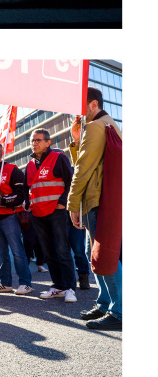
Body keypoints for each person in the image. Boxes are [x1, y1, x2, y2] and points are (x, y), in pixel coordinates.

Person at [68, 88, 123, 330]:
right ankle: (105, 303)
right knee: (98, 253)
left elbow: (82, 169)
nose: (76, 112)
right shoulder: (108, 124)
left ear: (92, 104)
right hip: (106, 197)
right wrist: (77, 141)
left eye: (80, 106)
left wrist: (72, 204)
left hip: (95, 198)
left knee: (105, 255)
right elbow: (89, 161)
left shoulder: (95, 126)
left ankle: (120, 310)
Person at [24, 129, 77, 303]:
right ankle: (58, 286)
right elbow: (28, 188)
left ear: (48, 142)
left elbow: (71, 182)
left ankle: (70, 288)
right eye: (32, 140)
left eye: (38, 140)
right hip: (37, 214)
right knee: (48, 252)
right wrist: (28, 205)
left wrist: (63, 202)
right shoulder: (30, 164)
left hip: (56, 211)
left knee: (62, 250)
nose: (35, 143)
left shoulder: (58, 157)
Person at [0, 141, 34, 295]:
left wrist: (3, 201)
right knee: (0, 254)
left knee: (18, 252)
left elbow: (20, 195)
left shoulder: (12, 170)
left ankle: (25, 283)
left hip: (8, 218)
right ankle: (5, 283)